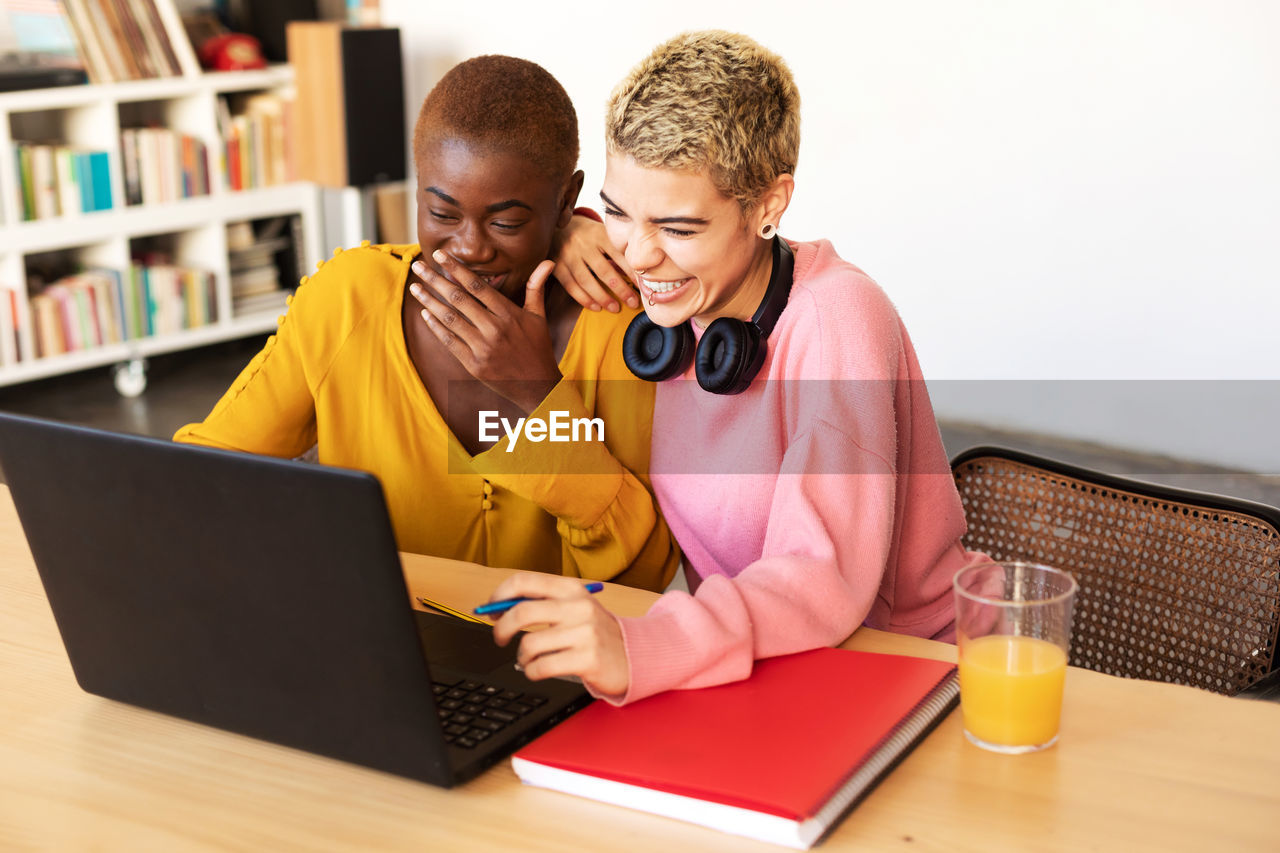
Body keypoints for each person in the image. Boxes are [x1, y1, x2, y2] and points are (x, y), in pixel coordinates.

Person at [484, 31, 987, 703]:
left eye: (680, 228)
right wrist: (568, 230)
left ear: (770, 206)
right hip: (776, 670)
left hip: (923, 671)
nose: (637, 255)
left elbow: (820, 577)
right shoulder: (666, 297)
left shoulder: (838, 321)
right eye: (617, 210)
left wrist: (643, 644)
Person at [174, 55, 678, 592]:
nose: (469, 248)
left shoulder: (621, 326)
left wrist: (537, 396)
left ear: (565, 203)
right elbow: (204, 474)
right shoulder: (346, 299)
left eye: (506, 221)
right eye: (442, 214)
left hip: (557, 660)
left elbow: (645, 573)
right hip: (375, 645)